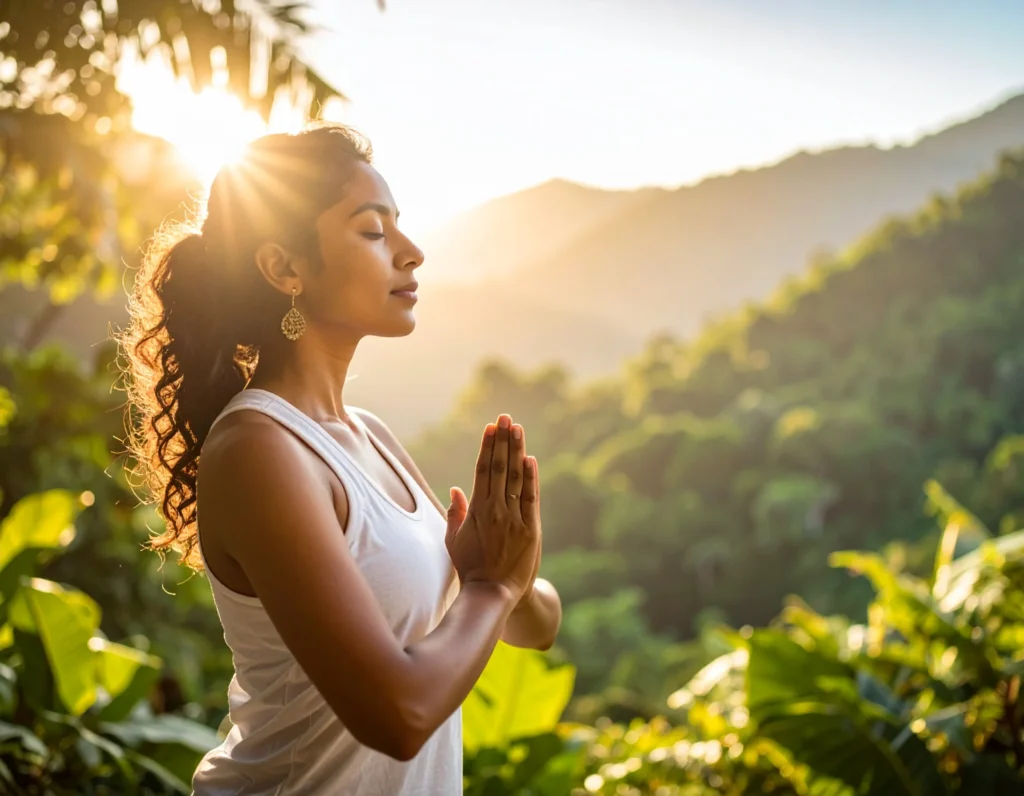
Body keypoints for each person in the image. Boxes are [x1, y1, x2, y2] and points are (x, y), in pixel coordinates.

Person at [121, 123, 562, 795]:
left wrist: (510, 569)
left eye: (400, 227)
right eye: (372, 231)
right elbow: (398, 714)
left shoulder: (371, 437)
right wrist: (492, 587)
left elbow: (537, 627)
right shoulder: (259, 451)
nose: (411, 253)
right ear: (285, 268)